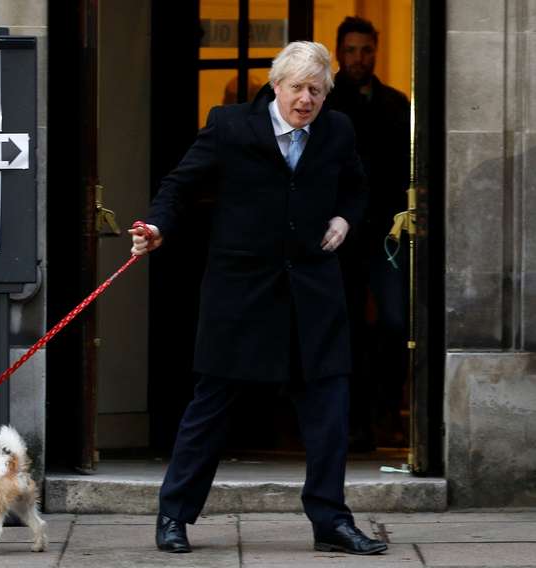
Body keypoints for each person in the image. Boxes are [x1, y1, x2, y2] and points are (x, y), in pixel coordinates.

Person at [130, 41, 387, 556]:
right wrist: (157, 225)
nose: (306, 99)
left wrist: (344, 218)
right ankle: (174, 515)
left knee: (329, 409)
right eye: (297, 88)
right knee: (211, 408)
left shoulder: (336, 130)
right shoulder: (229, 125)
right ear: (276, 86)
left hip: (313, 292)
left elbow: (358, 188)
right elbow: (180, 185)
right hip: (241, 291)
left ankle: (330, 521)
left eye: (317, 90)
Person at [324, 16, 411, 450]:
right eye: (351, 49)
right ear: (339, 51)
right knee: (349, 327)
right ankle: (354, 421)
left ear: (375, 51)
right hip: (340, 235)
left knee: (396, 322)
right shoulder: (325, 101)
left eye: (366, 49)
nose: (359, 58)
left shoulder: (397, 104)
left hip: (387, 233)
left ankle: (389, 410)